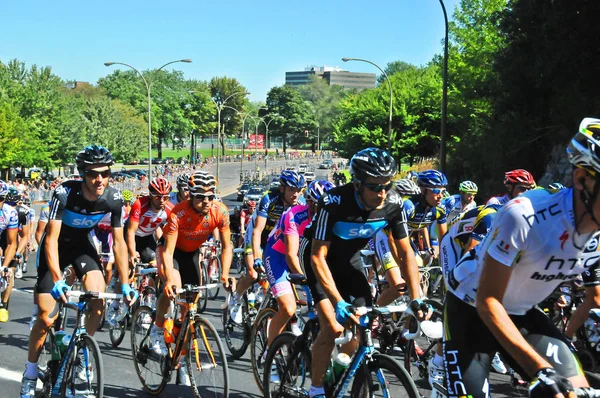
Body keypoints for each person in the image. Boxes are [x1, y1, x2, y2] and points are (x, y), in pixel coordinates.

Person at [443, 118, 600, 398]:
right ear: (581, 180)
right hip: (470, 307)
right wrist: (540, 370)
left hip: (522, 312)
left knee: (573, 392)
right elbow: (488, 301)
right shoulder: (525, 215)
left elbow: (595, 295)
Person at [303, 147, 424, 398]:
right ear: (357, 183)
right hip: (319, 261)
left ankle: (337, 369)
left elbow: (406, 254)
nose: (381, 193)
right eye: (374, 187)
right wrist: (337, 302)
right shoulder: (334, 202)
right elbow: (317, 256)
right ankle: (315, 390)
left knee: (364, 325)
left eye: (386, 185)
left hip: (350, 260)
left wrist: (417, 296)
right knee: (333, 328)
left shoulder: (392, 204)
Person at [20, 145, 137, 398]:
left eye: (105, 173)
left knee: (98, 297)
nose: (100, 180)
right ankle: (30, 373)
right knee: (46, 317)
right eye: (93, 174)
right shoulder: (64, 194)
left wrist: (125, 282)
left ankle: (84, 350)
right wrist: (57, 279)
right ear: (82, 173)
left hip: (82, 248)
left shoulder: (113, 199)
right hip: (55, 249)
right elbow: (50, 240)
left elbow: (119, 244)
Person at [150, 171, 232, 386]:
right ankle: (158, 327)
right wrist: (167, 279)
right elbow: (168, 252)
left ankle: (183, 359)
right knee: (174, 287)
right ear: (190, 196)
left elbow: (227, 246)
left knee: (190, 310)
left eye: (210, 197)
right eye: (199, 197)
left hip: (192, 254)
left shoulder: (220, 212)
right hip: (172, 252)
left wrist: (225, 274)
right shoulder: (178, 213)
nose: (205, 202)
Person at [263, 180, 331, 353]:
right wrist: (307, 281)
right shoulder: (294, 215)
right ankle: (271, 354)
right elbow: (291, 255)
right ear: (309, 203)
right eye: (319, 205)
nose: (324, 210)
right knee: (288, 307)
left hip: (305, 257)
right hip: (277, 256)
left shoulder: (331, 216)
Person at [229, 170, 305, 322]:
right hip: (259, 235)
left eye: (299, 190)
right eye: (291, 190)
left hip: (277, 240)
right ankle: (236, 298)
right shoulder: (269, 198)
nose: (295, 194)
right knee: (253, 274)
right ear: (282, 188)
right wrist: (257, 257)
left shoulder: (301, 203)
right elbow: (257, 231)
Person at [127, 178, 173, 265]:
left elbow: (171, 233)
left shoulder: (170, 209)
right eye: (157, 197)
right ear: (150, 195)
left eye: (166, 197)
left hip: (147, 238)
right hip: (130, 236)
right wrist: (132, 253)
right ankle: (116, 277)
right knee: (128, 267)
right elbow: (131, 231)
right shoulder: (139, 204)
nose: (162, 200)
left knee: (155, 265)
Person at [403, 170, 448, 258]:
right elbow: (392, 237)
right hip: (387, 235)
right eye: (436, 191)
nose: (441, 196)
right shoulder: (409, 206)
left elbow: (444, 240)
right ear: (423, 190)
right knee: (392, 269)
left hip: (406, 236)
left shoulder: (440, 209)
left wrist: (429, 247)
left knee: (417, 267)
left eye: (443, 191)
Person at [0, 181, 19, 323]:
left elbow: (12, 243)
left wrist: (4, 266)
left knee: (8, 271)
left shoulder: (10, 212)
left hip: (4, 238)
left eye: (1, 199)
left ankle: (3, 304)